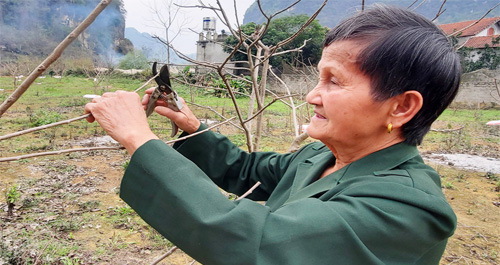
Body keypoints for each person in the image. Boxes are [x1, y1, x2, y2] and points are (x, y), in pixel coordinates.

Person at [84, 5, 460, 265]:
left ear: (401, 107)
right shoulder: (321, 157)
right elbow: (245, 170)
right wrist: (192, 127)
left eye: (334, 81)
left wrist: (139, 137)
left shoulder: (409, 208)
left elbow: (261, 245)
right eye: (318, 77)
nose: (312, 95)